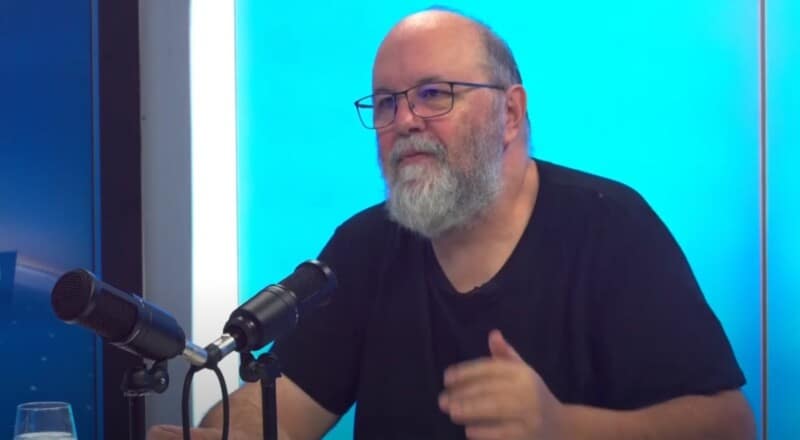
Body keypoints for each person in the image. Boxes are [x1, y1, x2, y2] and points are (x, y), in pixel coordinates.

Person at [149, 7, 755, 440]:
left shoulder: (610, 228)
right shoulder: (363, 247)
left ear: (510, 113)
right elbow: (284, 406)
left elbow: (729, 425)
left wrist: (563, 427)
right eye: (386, 102)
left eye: (434, 94)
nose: (404, 120)